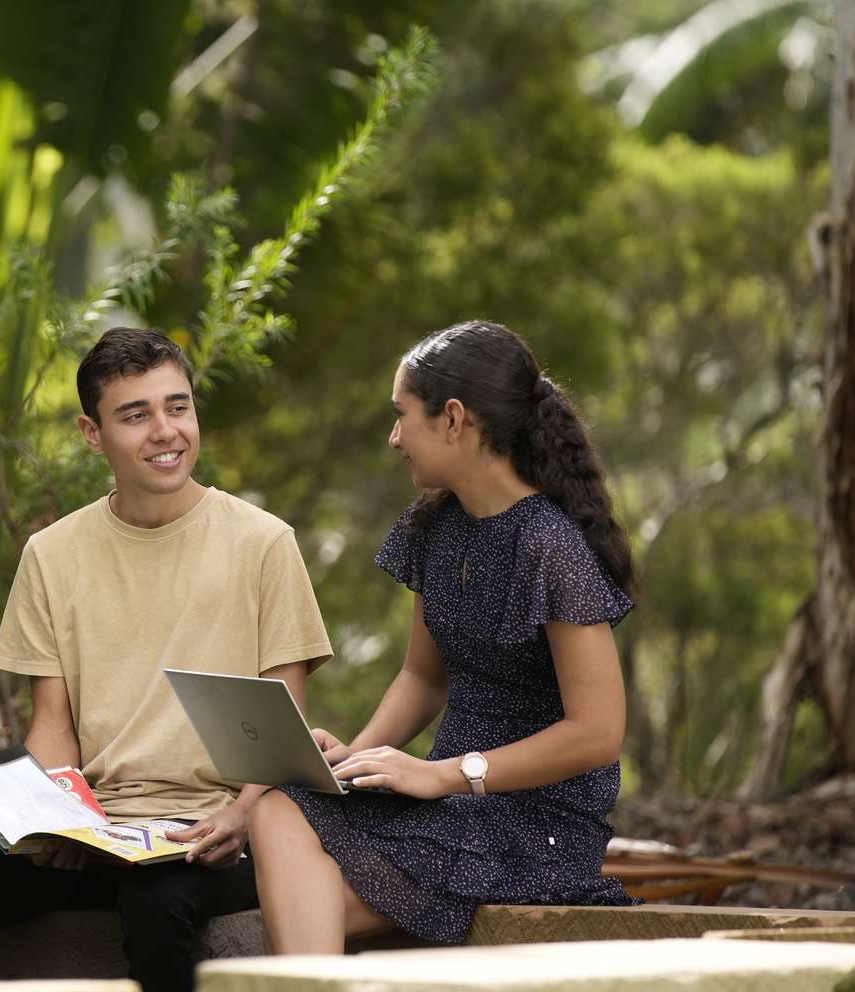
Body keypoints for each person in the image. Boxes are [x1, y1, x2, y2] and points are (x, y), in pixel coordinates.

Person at [0, 326, 332, 992]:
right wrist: (57, 815)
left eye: (179, 408)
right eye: (136, 415)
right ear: (92, 435)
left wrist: (240, 813)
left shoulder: (263, 543)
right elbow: (52, 724)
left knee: (157, 904)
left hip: (219, 829)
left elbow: (280, 724)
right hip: (100, 828)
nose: (166, 432)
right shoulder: (53, 554)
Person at [249, 319, 638, 953]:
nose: (394, 436)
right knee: (278, 804)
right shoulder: (437, 526)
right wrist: (352, 765)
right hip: (446, 803)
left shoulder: (550, 548)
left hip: (532, 821)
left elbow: (598, 733)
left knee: (309, 906)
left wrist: (451, 775)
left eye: (403, 416)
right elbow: (421, 678)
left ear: (454, 419)